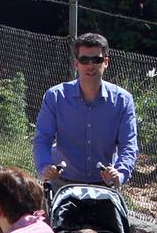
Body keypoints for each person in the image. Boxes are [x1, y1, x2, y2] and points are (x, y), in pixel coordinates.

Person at [33, 33, 137, 188]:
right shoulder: (55, 97)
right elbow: (42, 138)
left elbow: (129, 145)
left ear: (106, 62)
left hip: (104, 186)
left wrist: (120, 173)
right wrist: (45, 167)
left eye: (96, 60)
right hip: (62, 184)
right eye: (84, 60)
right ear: (76, 64)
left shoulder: (123, 100)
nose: (90, 65)